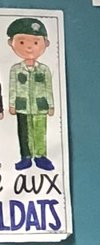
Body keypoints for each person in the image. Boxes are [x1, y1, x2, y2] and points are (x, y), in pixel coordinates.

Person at [5, 18, 55, 171]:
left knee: (39, 130)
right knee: (24, 132)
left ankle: (40, 156)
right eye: (21, 42)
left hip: (40, 105)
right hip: (22, 105)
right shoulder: (15, 69)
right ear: (11, 43)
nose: (28, 47)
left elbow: (48, 88)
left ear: (45, 44)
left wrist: (51, 105)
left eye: (35, 42)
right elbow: (13, 87)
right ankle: (26, 157)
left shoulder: (44, 69)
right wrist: (12, 104)